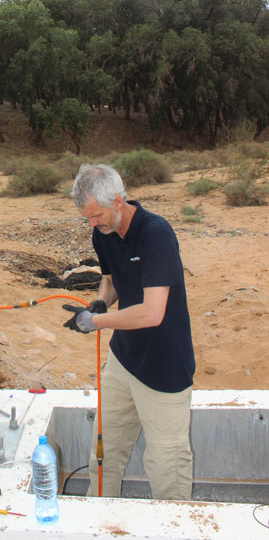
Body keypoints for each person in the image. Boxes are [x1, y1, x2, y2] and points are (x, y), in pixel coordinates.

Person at [62, 163, 195, 501]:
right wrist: (100, 304)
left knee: (167, 468)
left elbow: (152, 312)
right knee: (104, 455)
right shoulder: (102, 234)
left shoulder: (157, 234)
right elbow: (110, 280)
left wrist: (95, 323)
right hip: (123, 360)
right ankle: (98, 522)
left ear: (118, 201)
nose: (92, 224)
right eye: (87, 218)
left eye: (97, 215)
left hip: (164, 368)